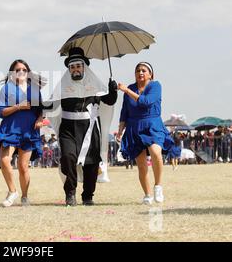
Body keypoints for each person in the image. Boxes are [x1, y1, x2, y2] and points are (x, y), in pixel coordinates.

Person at [44, 47, 117, 206]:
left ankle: (88, 195)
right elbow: (49, 106)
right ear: (69, 69)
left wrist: (113, 89)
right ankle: (70, 193)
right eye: (72, 67)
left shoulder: (95, 85)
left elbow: (110, 101)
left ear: (84, 67)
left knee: (91, 163)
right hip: (68, 129)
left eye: (78, 66)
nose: (75, 69)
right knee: (68, 158)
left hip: (90, 128)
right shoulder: (62, 86)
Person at [0, 59, 45, 207]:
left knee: (23, 166)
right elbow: (1, 112)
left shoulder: (34, 90)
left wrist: (40, 119)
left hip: (28, 130)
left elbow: (42, 111)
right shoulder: (6, 89)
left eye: (24, 70)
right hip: (10, 129)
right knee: (4, 159)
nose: (21, 72)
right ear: (12, 73)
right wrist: (18, 107)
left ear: (28, 73)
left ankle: (25, 197)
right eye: (17, 69)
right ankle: (12, 191)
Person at [117, 62, 174, 205]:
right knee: (141, 164)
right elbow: (125, 111)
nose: (140, 72)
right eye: (138, 70)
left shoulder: (155, 86)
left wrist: (126, 91)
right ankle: (147, 194)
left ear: (150, 74)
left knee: (156, 152)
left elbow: (146, 101)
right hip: (134, 126)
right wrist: (120, 129)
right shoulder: (130, 88)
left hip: (152, 124)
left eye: (144, 70)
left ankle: (158, 186)